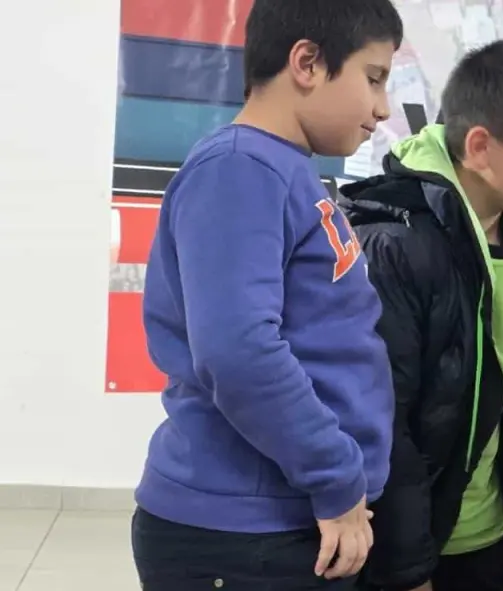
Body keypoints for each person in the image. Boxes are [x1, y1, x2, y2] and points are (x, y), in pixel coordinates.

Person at [130, 1, 402, 588]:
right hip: (243, 533)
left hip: (284, 517)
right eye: (374, 78)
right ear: (306, 62)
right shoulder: (239, 169)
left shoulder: (283, 168)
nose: (382, 108)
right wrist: (335, 478)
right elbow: (238, 351)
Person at [338, 39, 503, 591]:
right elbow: (382, 422)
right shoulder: (394, 246)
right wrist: (406, 571)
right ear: (480, 147)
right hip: (401, 554)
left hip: (495, 547)